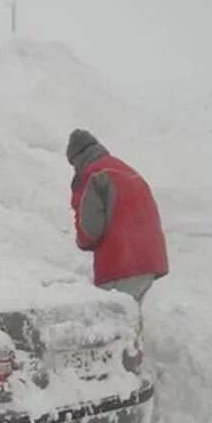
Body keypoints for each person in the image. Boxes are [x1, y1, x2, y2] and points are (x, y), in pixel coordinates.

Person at [66, 129, 169, 304]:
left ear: (76, 158)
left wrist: (81, 241)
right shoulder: (124, 169)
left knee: (111, 325)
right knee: (129, 320)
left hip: (121, 262)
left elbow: (90, 230)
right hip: (149, 261)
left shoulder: (94, 174)